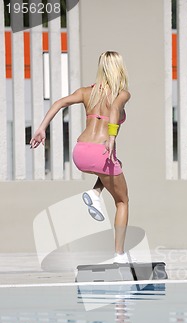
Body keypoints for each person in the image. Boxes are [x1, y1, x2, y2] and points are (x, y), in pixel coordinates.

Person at [30, 51, 132, 264]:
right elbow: (114, 109)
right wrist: (112, 136)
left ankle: (95, 193)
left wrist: (41, 128)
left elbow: (60, 102)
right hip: (101, 152)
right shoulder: (122, 94)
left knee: (112, 167)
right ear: (119, 68)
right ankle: (119, 255)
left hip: (81, 152)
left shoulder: (87, 92)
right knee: (122, 201)